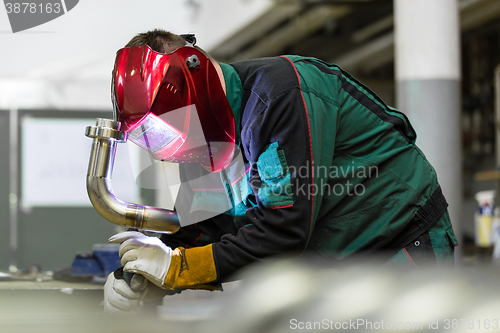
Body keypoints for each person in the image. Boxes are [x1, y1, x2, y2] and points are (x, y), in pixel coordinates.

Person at [104, 29, 458, 314]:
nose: (172, 150)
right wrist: (145, 275)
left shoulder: (279, 94)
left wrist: (175, 268)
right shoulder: (202, 141)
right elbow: (205, 229)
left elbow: (285, 229)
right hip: (332, 265)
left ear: (196, 86)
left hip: (399, 243)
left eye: (170, 130)